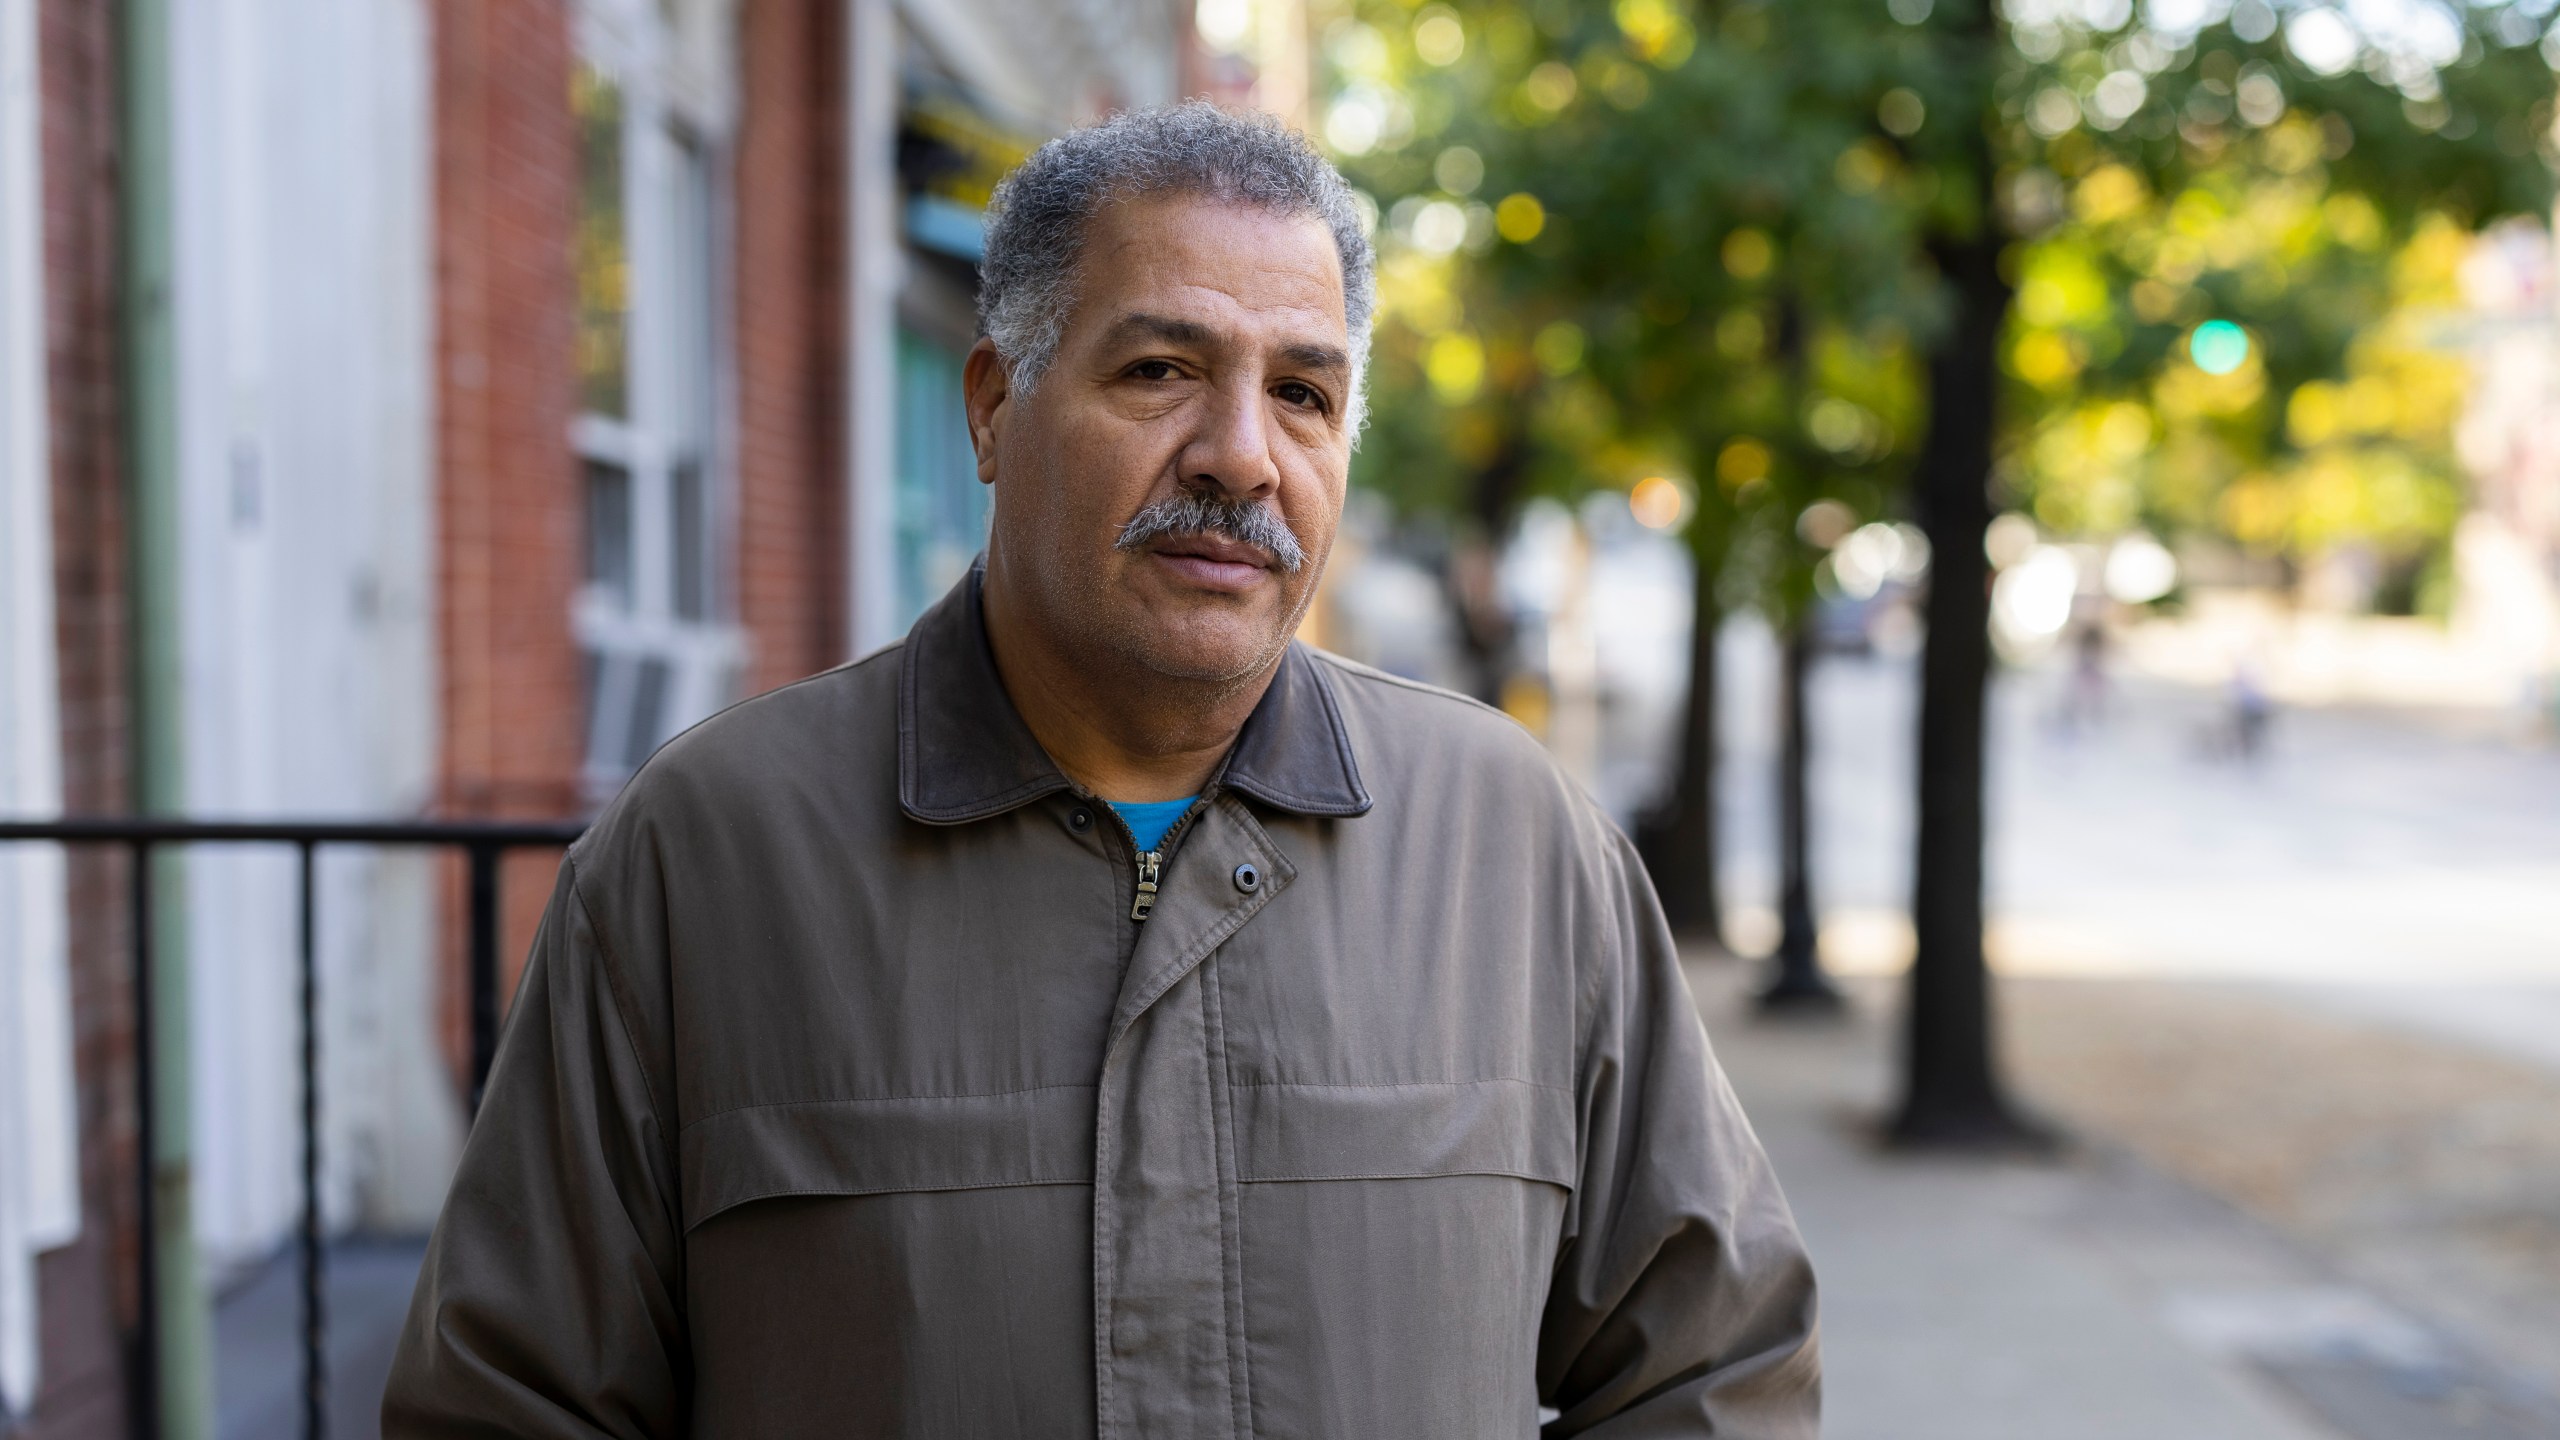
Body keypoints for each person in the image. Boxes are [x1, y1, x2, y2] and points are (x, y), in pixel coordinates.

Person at [383, 103, 1818, 1438]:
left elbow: (1716, 1363)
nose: (1243, 457)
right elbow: (514, 1405)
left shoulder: (1514, 848)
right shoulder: (705, 859)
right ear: (998, 406)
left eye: (1304, 393)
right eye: (1161, 371)